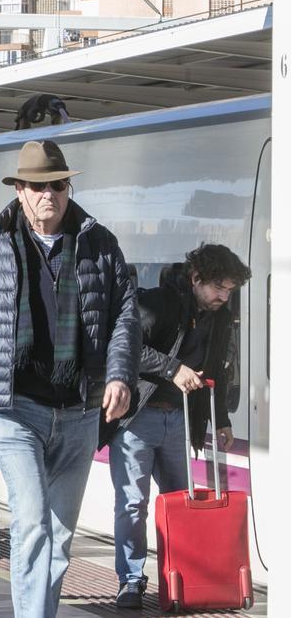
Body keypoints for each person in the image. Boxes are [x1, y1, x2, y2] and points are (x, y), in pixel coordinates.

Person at [0, 140, 138, 618]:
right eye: (37, 186)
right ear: (19, 191)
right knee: (32, 519)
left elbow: (125, 318)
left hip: (78, 409)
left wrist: (120, 376)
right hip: (12, 406)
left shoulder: (100, 244)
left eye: (57, 184)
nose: (48, 194)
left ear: (68, 187)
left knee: (59, 532)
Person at [107, 244, 249, 608]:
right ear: (196, 278)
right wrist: (173, 369)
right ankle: (132, 580)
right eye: (219, 287)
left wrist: (221, 420)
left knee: (181, 500)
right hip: (138, 418)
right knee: (132, 503)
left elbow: (217, 369)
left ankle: (183, 576)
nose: (224, 296)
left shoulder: (218, 316)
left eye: (230, 290)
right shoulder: (159, 303)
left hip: (180, 418)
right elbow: (126, 345)